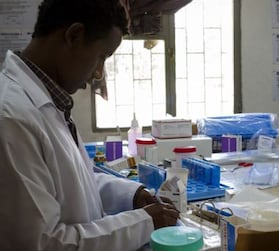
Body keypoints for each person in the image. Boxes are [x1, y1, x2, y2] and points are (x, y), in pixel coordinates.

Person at [0, 0, 179, 250]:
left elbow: (69, 183)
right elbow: (42, 243)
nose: (98, 74)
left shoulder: (48, 101)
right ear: (74, 35)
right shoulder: (12, 117)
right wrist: (144, 222)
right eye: (102, 57)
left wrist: (131, 194)